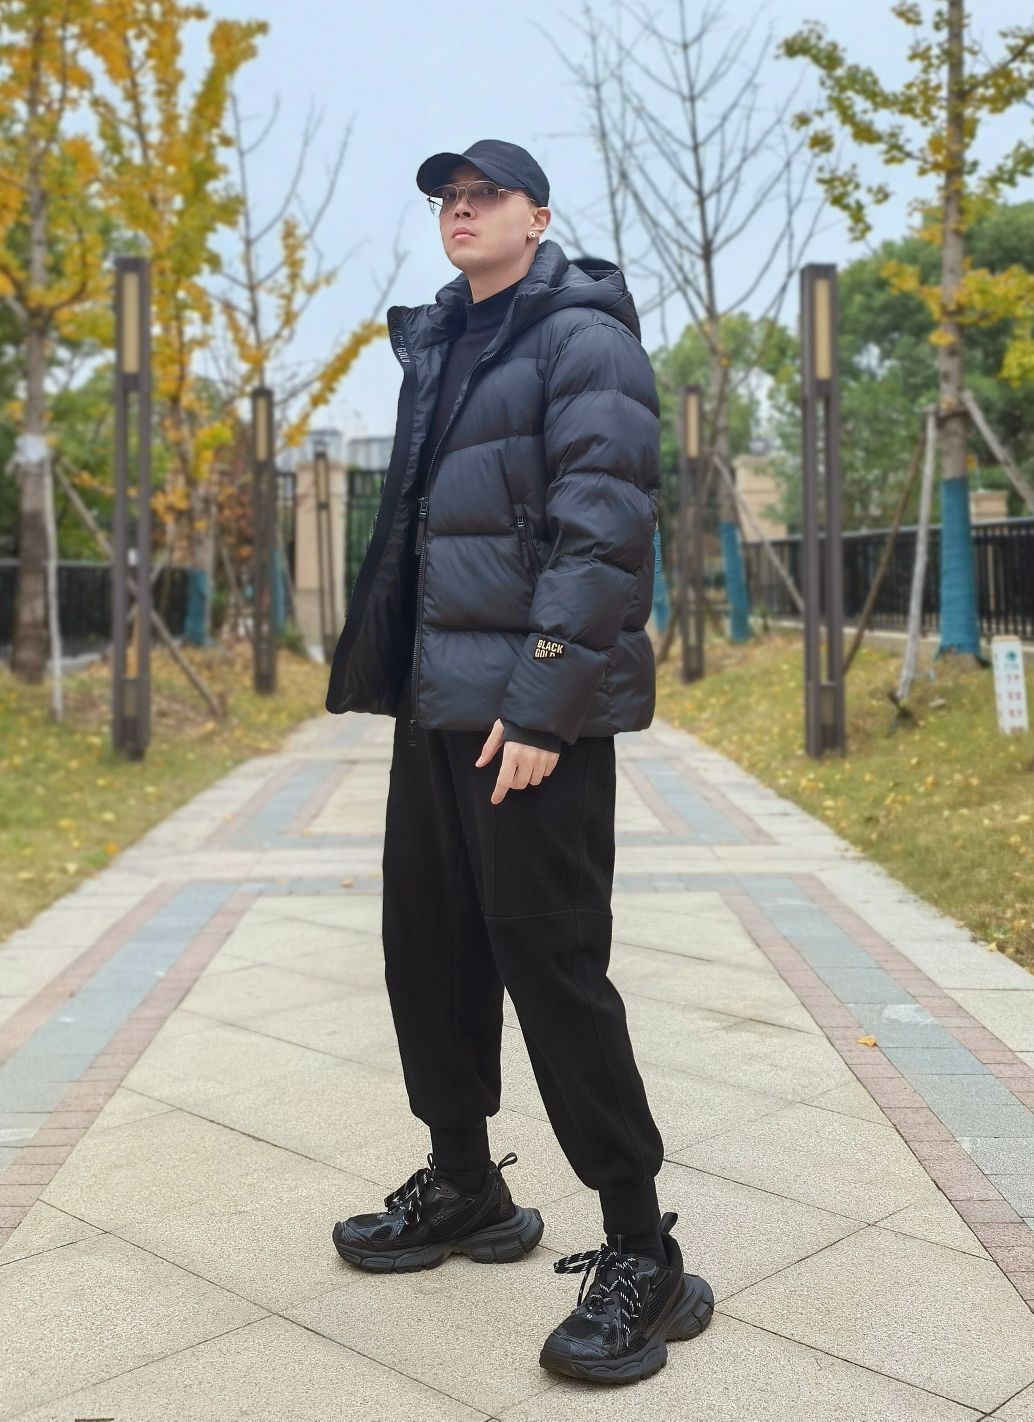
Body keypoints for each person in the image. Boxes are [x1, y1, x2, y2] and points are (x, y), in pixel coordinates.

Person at [325, 139, 713, 1384]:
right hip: (439, 709)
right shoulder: (444, 340)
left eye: (483, 196)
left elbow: (605, 528)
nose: (460, 212)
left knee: (551, 969)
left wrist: (545, 705)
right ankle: (464, 1185)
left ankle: (644, 1251)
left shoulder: (581, 339)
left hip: (536, 719)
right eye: (446, 198)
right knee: (427, 947)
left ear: (537, 218)